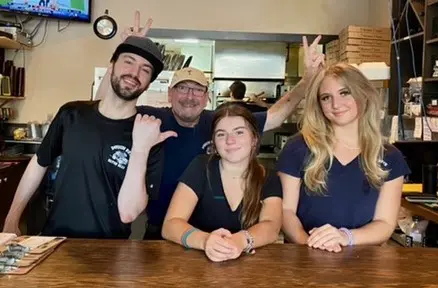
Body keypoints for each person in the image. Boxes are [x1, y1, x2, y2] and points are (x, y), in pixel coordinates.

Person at [95, 12, 325, 240]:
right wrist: (125, 54)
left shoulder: (218, 122)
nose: (189, 96)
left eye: (196, 90)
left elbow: (275, 116)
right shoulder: (151, 119)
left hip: (212, 231)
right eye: (182, 88)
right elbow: (106, 106)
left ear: (206, 97)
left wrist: (307, 81)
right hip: (160, 230)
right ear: (170, 94)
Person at [2, 34, 177, 239]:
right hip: (55, 239)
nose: (134, 73)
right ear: (111, 66)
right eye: (128, 62)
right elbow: (39, 163)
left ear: (148, 84)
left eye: (145, 70)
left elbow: (129, 212)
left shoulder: (149, 135)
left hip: (109, 250)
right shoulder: (72, 114)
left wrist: (140, 148)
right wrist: (12, 218)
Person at [277, 63, 411, 252]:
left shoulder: (390, 157)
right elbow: (285, 211)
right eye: (326, 97)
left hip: (363, 261)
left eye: (345, 92)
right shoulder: (297, 148)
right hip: (304, 257)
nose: (336, 104)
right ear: (319, 104)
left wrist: (344, 237)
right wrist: (309, 244)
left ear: (363, 94)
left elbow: (385, 223)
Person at [161, 102, 282, 262]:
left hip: (251, 267)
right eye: (221, 134)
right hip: (199, 264)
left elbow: (272, 226)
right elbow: (170, 225)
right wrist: (206, 241)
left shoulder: (268, 177)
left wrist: (240, 241)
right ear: (214, 144)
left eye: (239, 132)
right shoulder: (200, 167)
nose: (230, 140)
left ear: (254, 139)